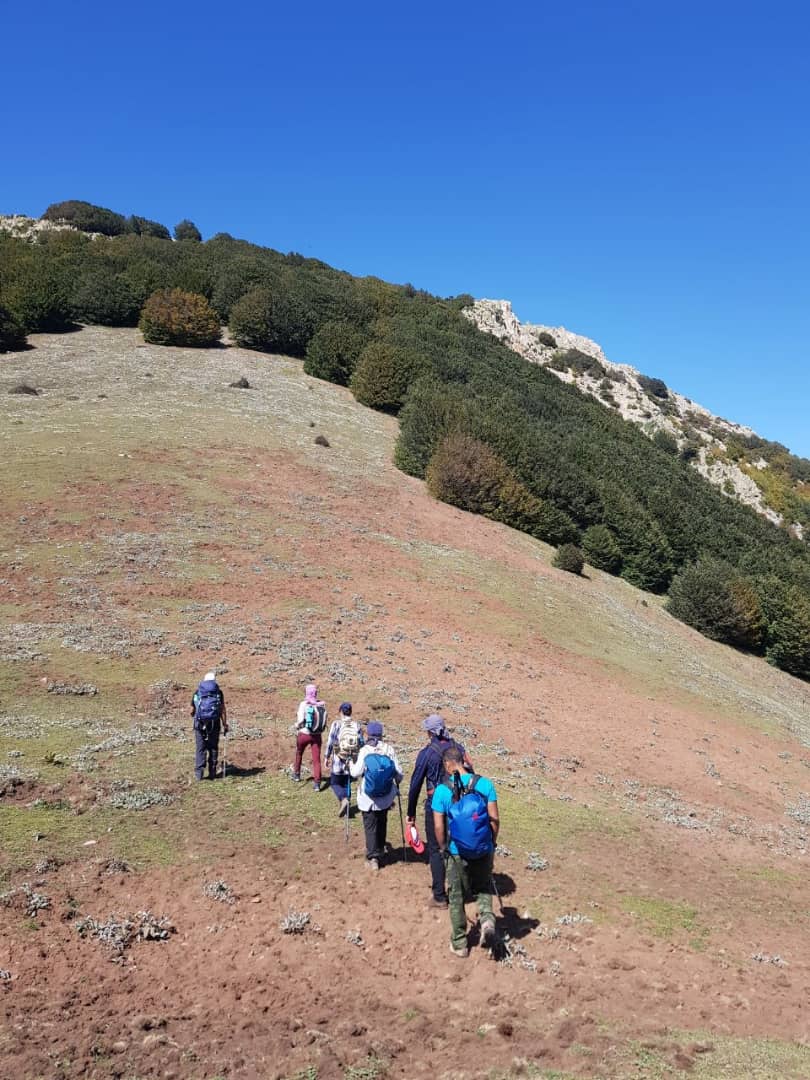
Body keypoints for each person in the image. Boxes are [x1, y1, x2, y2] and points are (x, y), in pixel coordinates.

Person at [432, 746, 499, 958]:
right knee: (483, 887)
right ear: (463, 761)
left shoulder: (441, 791)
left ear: (447, 765)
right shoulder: (485, 784)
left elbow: (439, 827)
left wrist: (443, 848)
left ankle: (460, 943)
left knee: (456, 895)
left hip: (456, 851)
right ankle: (487, 920)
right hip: (483, 848)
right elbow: (495, 819)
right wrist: (491, 843)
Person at [406, 714, 474, 907]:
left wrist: (411, 813)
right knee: (459, 846)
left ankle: (439, 896)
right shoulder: (458, 749)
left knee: (436, 850)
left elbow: (415, 784)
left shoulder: (427, 753)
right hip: (460, 805)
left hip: (435, 806)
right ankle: (463, 890)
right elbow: (471, 772)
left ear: (430, 732)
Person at [349, 720, 403, 870]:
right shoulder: (389, 749)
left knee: (370, 825)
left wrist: (350, 764)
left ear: (368, 734)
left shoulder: (365, 750)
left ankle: (373, 858)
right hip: (385, 797)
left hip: (368, 798)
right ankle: (380, 850)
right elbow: (399, 774)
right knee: (382, 822)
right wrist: (394, 783)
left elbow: (356, 772)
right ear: (381, 734)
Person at [324, 702, 362, 816]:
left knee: (334, 783)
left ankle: (343, 799)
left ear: (341, 711)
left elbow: (331, 741)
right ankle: (346, 808)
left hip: (338, 760)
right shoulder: (356, 725)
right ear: (350, 712)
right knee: (346, 783)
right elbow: (360, 743)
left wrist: (326, 756)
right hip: (351, 760)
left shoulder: (336, 724)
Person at [191, 670, 228, 780]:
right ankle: (212, 773)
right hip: (214, 723)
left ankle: (199, 774)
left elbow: (192, 709)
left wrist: (194, 715)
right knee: (213, 747)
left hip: (199, 723)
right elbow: (222, 709)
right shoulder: (218, 693)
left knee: (200, 748)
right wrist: (225, 724)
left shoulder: (198, 692)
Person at [293, 683, 327, 790]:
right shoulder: (321, 704)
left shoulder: (303, 704)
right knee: (316, 759)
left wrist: (296, 725)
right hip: (317, 735)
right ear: (315, 693)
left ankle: (297, 774)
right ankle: (317, 783)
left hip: (304, 734)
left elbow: (300, 720)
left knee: (299, 752)